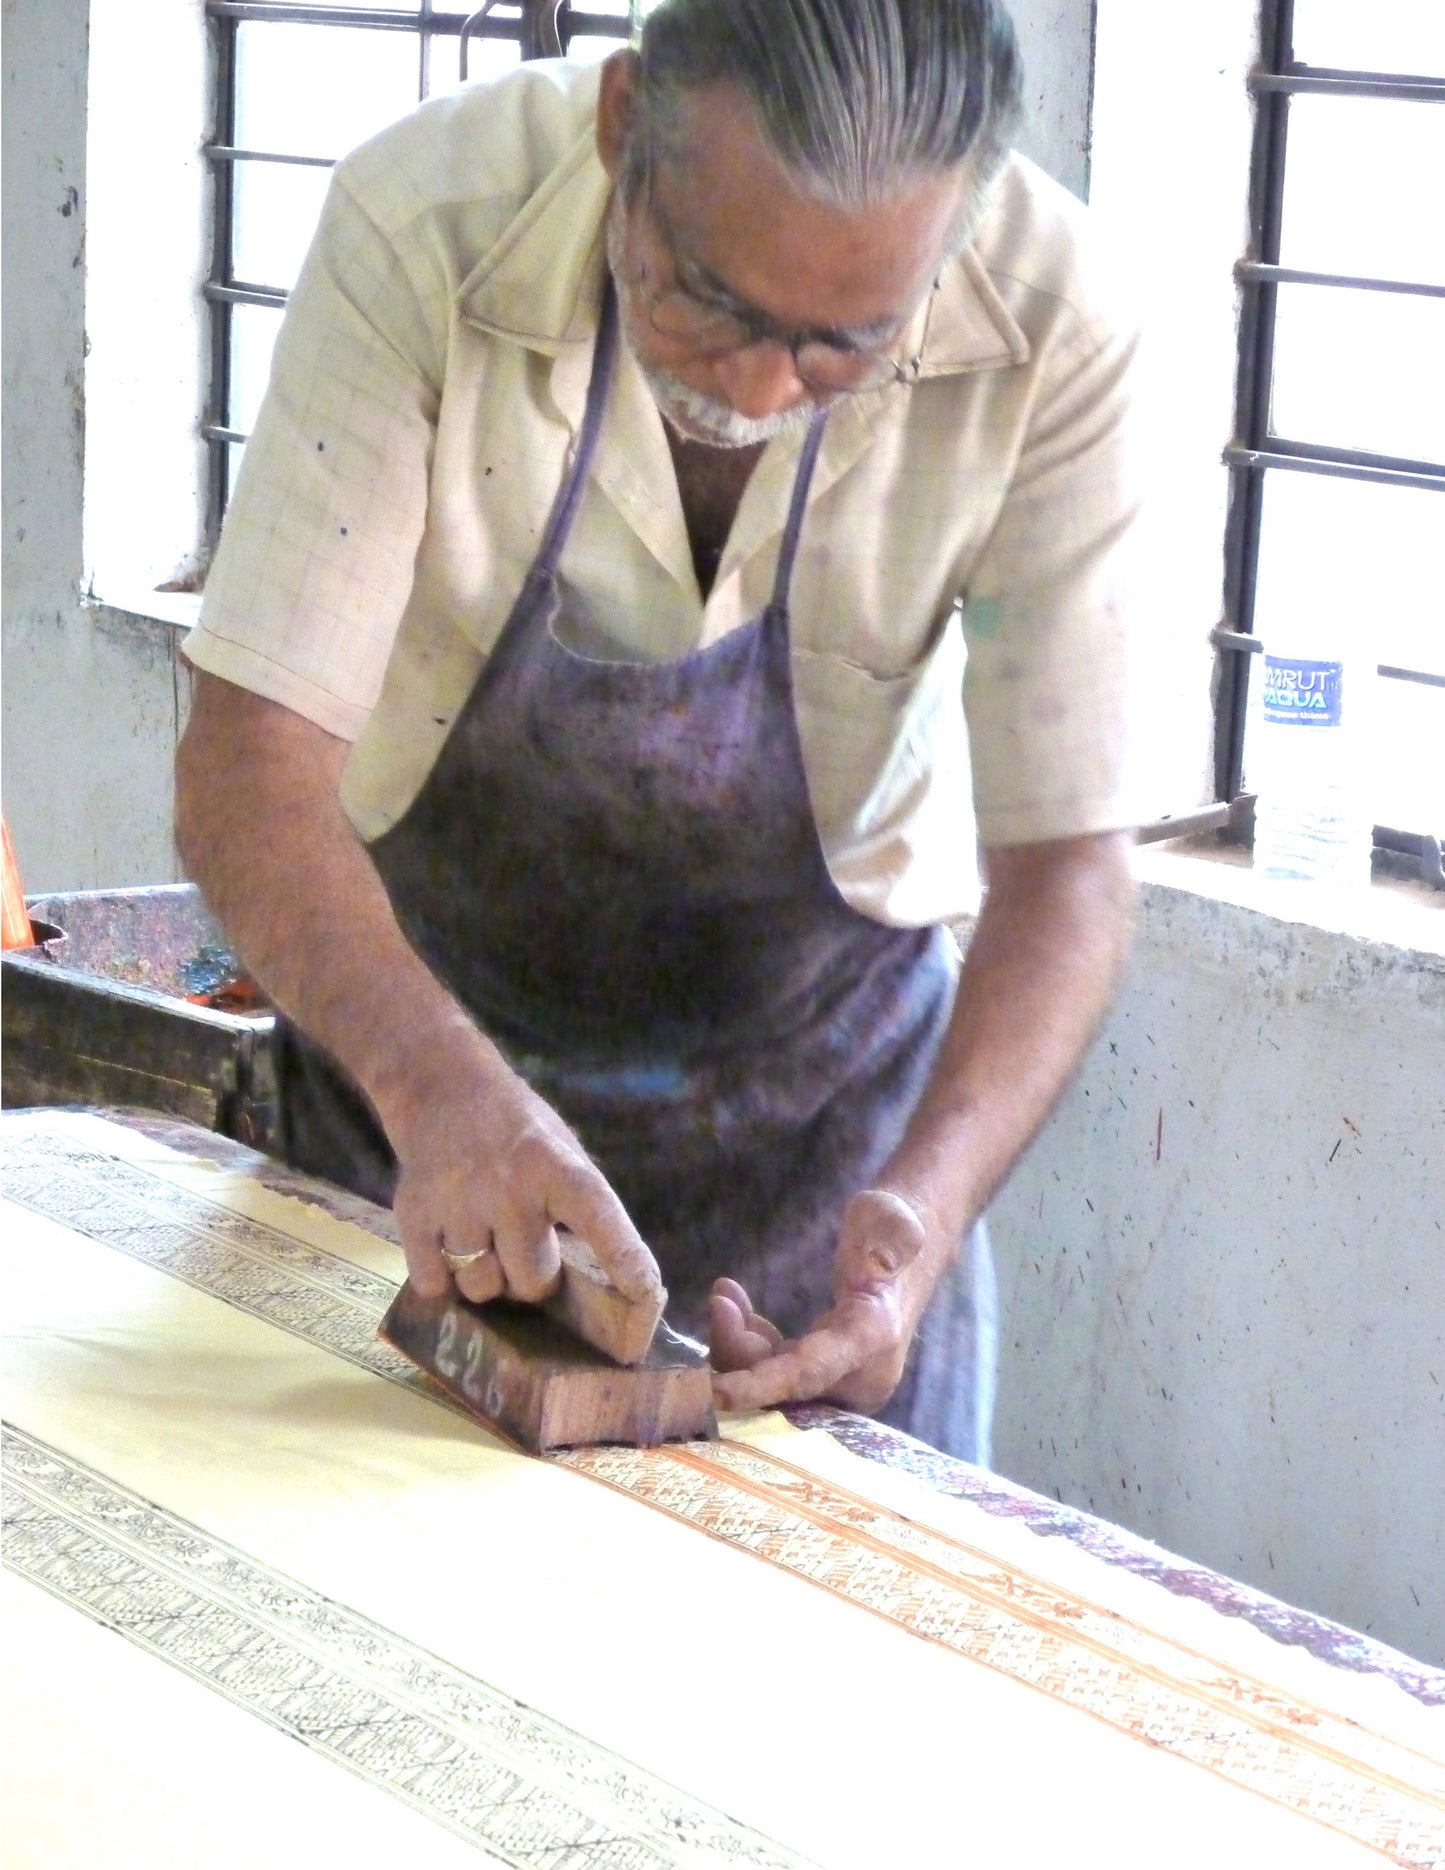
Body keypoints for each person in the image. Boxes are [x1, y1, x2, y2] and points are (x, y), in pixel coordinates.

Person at [176, 0, 1146, 1466]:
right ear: (626, 125)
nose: (755, 389)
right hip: (420, 1161)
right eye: (711, 301)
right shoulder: (425, 223)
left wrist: (923, 1212)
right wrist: (439, 1088)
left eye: (842, 345)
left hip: (825, 1182)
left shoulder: (1052, 318)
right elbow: (246, 771)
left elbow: (1067, 866)